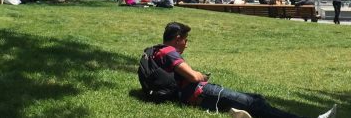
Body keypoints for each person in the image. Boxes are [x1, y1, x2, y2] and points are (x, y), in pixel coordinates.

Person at [144, 22, 336, 118]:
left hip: (194, 95)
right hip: (201, 93)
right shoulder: (170, 52)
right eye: (185, 40)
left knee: (257, 100)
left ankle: (237, 112)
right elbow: (193, 76)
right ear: (177, 38)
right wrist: (201, 75)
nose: (186, 44)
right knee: (256, 104)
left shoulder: (156, 51)